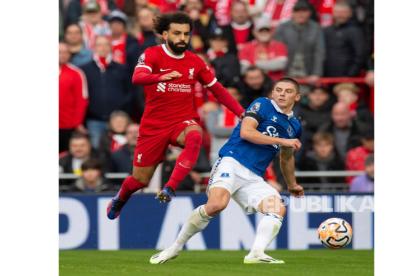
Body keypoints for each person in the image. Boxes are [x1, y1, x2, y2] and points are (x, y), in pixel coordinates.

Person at [149, 77, 304, 264]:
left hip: (254, 176)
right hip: (231, 161)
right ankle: (174, 247)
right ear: (272, 93)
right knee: (216, 205)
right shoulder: (262, 104)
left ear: (297, 97)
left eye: (288, 91)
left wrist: (292, 184)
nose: (282, 94)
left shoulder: (294, 126)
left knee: (277, 208)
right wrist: (281, 141)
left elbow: (286, 157)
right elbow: (247, 132)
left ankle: (256, 253)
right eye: (278, 90)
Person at [106, 12, 245, 219]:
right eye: (177, 33)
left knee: (195, 135)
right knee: (140, 180)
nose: (182, 38)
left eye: (186, 34)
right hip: (153, 126)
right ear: (164, 34)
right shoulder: (152, 54)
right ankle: (120, 197)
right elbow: (137, 77)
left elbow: (218, 90)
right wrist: (161, 76)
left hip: (182, 121)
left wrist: (241, 113)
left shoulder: (195, 61)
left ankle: (170, 187)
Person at [80, 35, 133, 149]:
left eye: (106, 45)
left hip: (118, 120)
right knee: (96, 149)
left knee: (118, 150)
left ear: (110, 47)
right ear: (94, 47)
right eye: (99, 45)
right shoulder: (85, 69)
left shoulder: (122, 69)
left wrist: (123, 112)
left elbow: (129, 92)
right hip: (94, 120)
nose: (103, 48)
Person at [274, 0, 325, 85]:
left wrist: (316, 73)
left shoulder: (316, 28)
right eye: (297, 11)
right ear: (292, 13)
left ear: (310, 13)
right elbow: (277, 51)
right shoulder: (283, 28)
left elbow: (319, 52)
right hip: (287, 72)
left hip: (308, 73)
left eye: (304, 11)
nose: (301, 14)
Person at [59, 42, 89, 153]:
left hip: (67, 125)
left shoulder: (76, 73)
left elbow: (82, 100)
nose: (62, 55)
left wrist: (77, 123)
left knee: (65, 156)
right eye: (59, 52)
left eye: (65, 52)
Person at [323, 1, 365, 77]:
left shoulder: (356, 31)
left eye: (343, 12)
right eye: (337, 12)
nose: (340, 15)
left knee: (345, 90)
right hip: (326, 78)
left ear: (350, 14)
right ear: (333, 13)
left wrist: (350, 75)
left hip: (347, 79)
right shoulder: (326, 31)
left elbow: (360, 55)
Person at [108, 10, 141, 76]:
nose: (115, 26)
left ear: (124, 26)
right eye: (113, 23)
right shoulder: (104, 40)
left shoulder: (132, 42)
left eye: (119, 23)